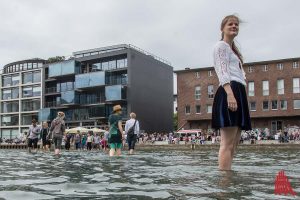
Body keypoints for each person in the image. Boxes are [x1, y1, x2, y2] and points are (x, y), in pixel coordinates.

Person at [212, 15, 252, 171]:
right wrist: (230, 94)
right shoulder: (221, 46)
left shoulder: (232, 50)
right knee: (227, 143)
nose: (234, 26)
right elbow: (222, 71)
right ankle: (224, 183)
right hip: (230, 90)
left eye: (236, 24)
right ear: (223, 28)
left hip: (238, 91)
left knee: (234, 143)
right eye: (230, 24)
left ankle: (227, 175)